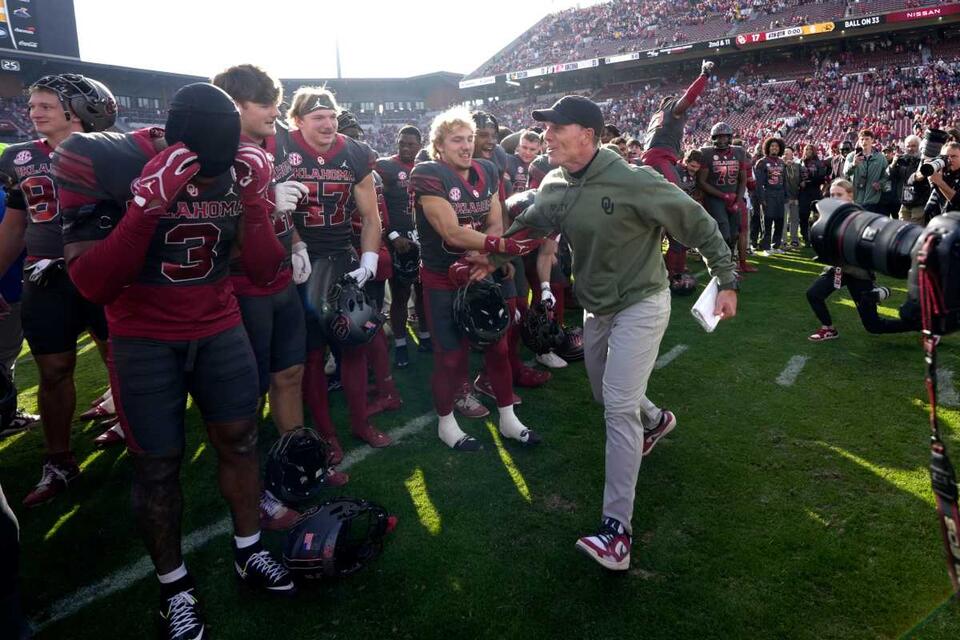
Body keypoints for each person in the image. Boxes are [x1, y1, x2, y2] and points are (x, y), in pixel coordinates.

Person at [52, 82, 295, 639]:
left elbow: (263, 269)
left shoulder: (241, 162)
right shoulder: (102, 156)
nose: (209, 181)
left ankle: (249, 548)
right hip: (143, 336)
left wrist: (255, 202)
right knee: (157, 465)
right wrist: (144, 206)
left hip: (219, 323)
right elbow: (92, 283)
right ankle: (174, 586)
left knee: (241, 440)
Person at [480, 95, 738, 571]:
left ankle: (616, 532)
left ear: (587, 136)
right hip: (596, 308)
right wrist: (488, 260)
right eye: (546, 128)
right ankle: (656, 420)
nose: (546, 136)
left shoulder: (636, 180)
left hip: (642, 302)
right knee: (605, 394)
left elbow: (698, 223)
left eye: (556, 128)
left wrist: (726, 278)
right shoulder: (555, 181)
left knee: (618, 408)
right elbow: (531, 226)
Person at [0, 74, 116, 506]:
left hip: (103, 271)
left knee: (120, 360)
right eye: (32, 105)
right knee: (53, 370)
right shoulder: (19, 157)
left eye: (46, 105)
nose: (34, 112)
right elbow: (15, 226)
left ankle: (135, 430)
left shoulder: (115, 150)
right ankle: (59, 459)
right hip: (46, 275)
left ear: (79, 109)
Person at [410, 106, 542, 451]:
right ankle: (446, 422)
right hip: (442, 277)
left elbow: (495, 220)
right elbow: (451, 232)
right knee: (450, 356)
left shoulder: (487, 168)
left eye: (469, 139)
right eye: (457, 140)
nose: (467, 145)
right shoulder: (428, 173)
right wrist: (503, 247)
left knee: (498, 347)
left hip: (480, 270)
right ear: (439, 145)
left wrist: (489, 257)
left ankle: (508, 419)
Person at [286, 87, 392, 462]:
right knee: (313, 355)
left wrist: (368, 258)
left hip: (341, 258)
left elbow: (370, 216)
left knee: (354, 345)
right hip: (300, 265)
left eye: (331, 116)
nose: (328, 124)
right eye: (318, 117)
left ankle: (361, 421)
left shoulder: (355, 152)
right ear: (298, 120)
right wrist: (294, 244)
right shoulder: (280, 146)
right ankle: (327, 434)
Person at [806, 179, 914, 341]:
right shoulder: (831, 215)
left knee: (873, 326)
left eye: (839, 195)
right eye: (832, 195)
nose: (834, 198)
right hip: (839, 269)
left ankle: (919, 325)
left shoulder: (860, 215)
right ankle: (828, 329)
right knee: (814, 294)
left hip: (859, 272)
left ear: (850, 196)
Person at [376, 125, 431, 368]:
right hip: (399, 239)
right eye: (402, 144)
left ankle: (425, 336)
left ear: (420, 145)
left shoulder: (428, 167)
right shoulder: (385, 166)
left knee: (424, 290)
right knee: (400, 294)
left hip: (425, 239)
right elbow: (377, 203)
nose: (406, 148)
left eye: (411, 144)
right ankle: (400, 344)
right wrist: (392, 235)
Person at [698, 122, 752, 273]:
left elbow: (743, 180)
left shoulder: (739, 152)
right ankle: (723, 265)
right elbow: (702, 181)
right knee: (724, 232)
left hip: (733, 198)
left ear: (729, 137)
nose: (721, 140)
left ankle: (729, 263)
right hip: (715, 199)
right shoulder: (707, 153)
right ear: (713, 138)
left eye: (724, 137)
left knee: (734, 234)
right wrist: (723, 195)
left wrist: (737, 200)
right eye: (718, 137)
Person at [755, 136, 787, 254]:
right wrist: (761, 198)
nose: (774, 148)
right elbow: (758, 183)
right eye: (772, 146)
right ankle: (766, 247)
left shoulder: (782, 162)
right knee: (767, 221)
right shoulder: (762, 162)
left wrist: (785, 195)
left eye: (777, 146)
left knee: (780, 221)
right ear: (768, 147)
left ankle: (776, 245)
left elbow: (784, 180)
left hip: (780, 194)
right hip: (768, 193)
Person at [843, 129, 889, 212]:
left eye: (867, 139)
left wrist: (880, 184)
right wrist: (853, 164)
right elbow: (845, 173)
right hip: (855, 199)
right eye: (862, 139)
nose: (864, 141)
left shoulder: (880, 158)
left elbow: (886, 176)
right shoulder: (851, 156)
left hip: (873, 200)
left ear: (872, 140)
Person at [798, 143, 829, 246]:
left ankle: (815, 236)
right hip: (803, 193)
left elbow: (821, 178)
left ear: (814, 151)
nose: (808, 151)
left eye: (810, 150)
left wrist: (808, 182)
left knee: (817, 215)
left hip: (815, 191)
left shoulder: (819, 163)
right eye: (806, 149)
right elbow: (797, 177)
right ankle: (805, 237)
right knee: (803, 215)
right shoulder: (800, 162)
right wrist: (800, 183)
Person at [889, 135, 925, 224]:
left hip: (919, 203)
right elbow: (889, 176)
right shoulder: (901, 160)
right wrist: (893, 164)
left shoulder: (924, 161)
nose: (910, 148)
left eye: (913, 146)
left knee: (916, 228)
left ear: (919, 146)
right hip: (904, 202)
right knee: (903, 228)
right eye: (908, 146)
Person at [924, 141, 960, 219]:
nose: (949, 160)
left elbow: (958, 202)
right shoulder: (943, 172)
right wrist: (928, 168)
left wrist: (940, 182)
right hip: (940, 219)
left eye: (953, 156)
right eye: (945, 157)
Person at [782, 146, 802, 248]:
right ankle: (783, 241)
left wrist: (796, 197)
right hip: (784, 198)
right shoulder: (780, 166)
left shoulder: (797, 166)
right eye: (784, 154)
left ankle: (794, 240)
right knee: (783, 220)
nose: (786, 155)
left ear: (792, 155)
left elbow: (798, 182)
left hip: (795, 198)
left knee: (794, 220)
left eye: (788, 154)